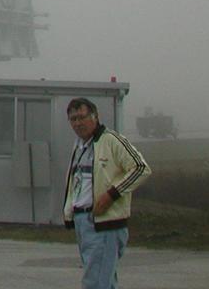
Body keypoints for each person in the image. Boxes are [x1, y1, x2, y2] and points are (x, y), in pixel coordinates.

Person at [62, 97, 151, 289]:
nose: (78, 123)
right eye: (73, 119)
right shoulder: (79, 146)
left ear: (95, 117)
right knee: (104, 280)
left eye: (82, 117)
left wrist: (112, 195)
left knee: (96, 282)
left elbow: (140, 168)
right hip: (83, 221)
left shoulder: (111, 141)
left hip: (105, 224)